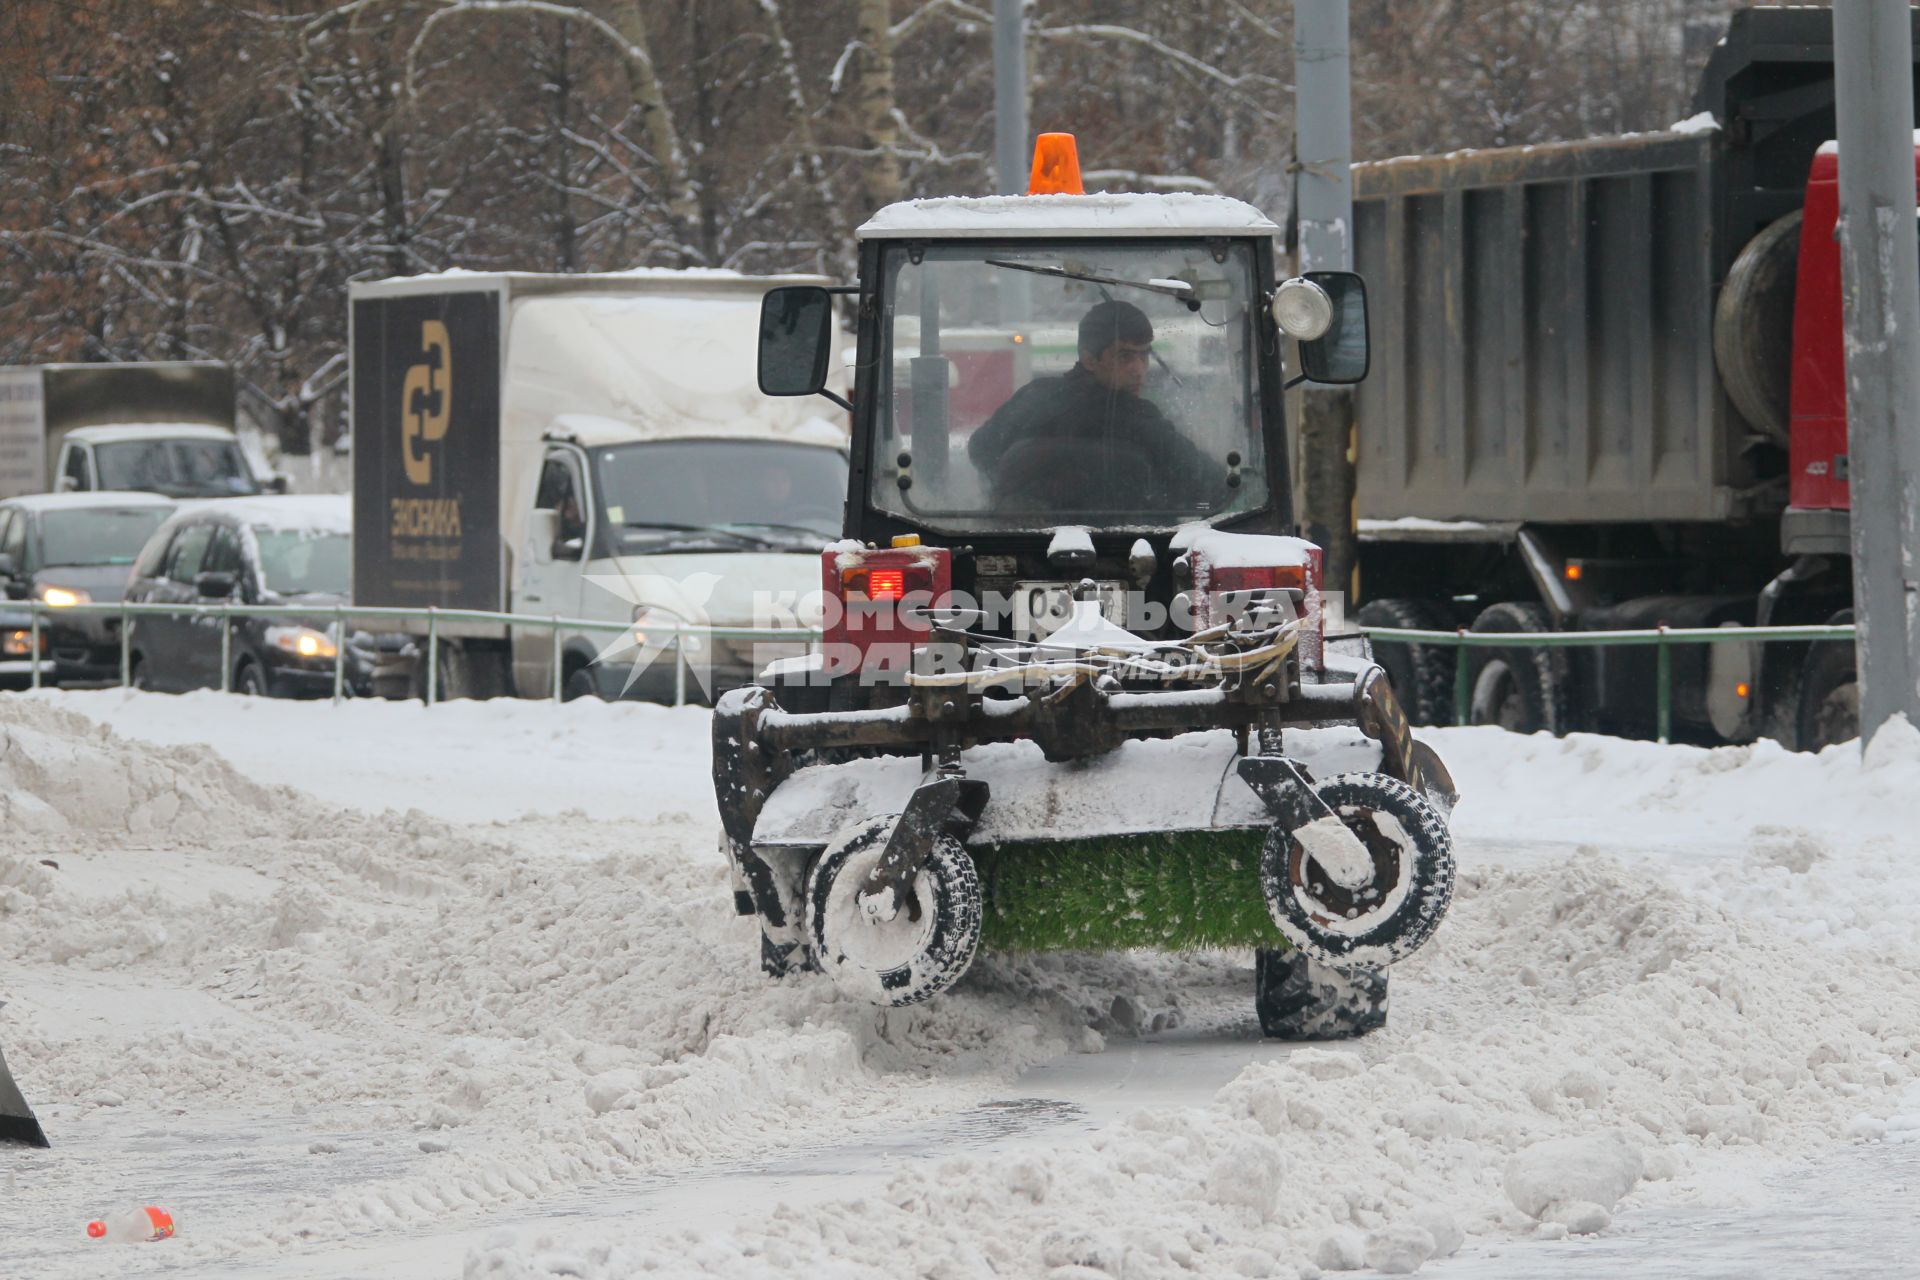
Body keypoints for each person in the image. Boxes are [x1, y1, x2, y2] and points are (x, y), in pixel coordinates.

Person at [967, 299, 1210, 510]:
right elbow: (1201, 481)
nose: (1138, 370)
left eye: (1144, 355)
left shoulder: (1034, 397)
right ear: (1089, 359)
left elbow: (980, 448)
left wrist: (1015, 496)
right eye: (1124, 356)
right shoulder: (1140, 421)